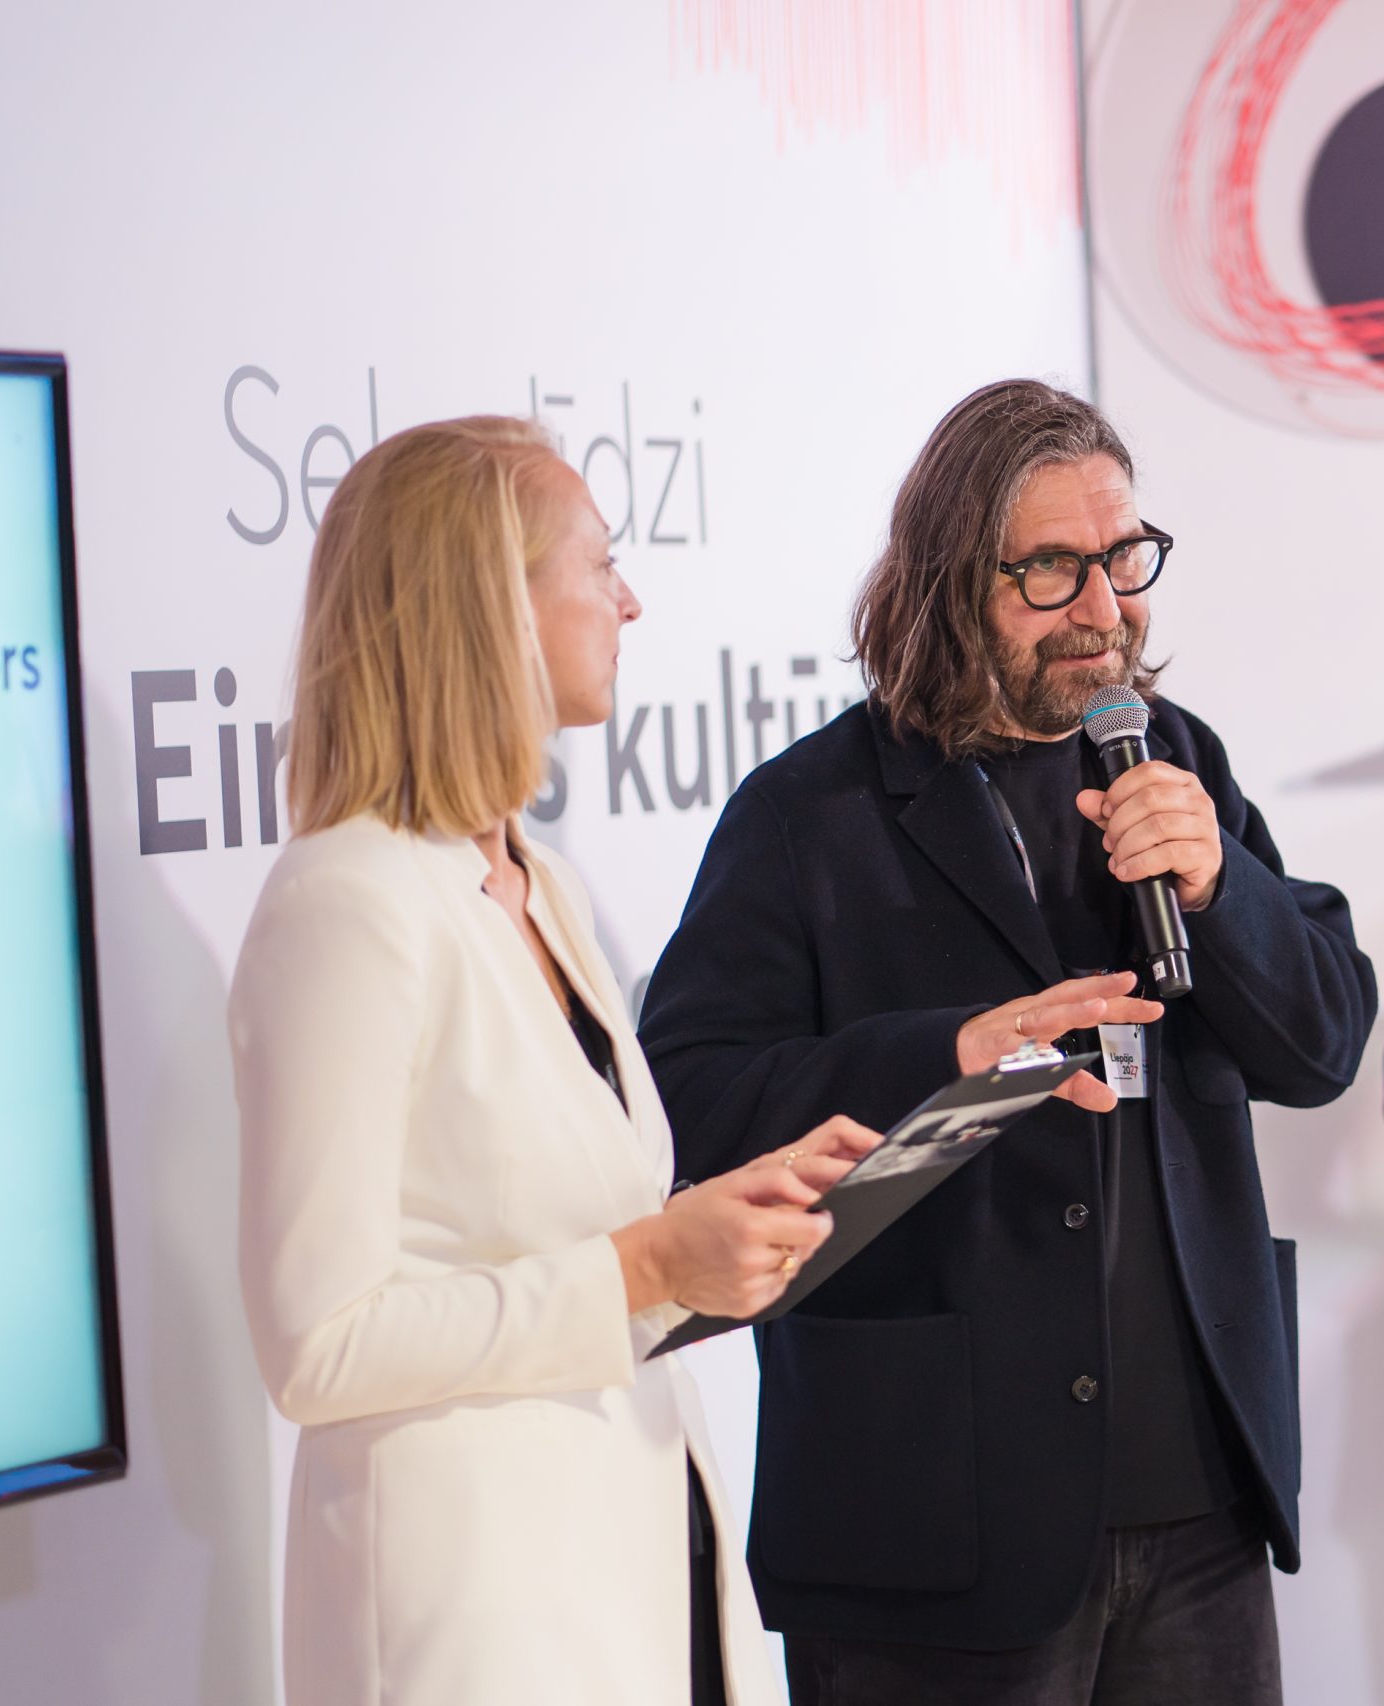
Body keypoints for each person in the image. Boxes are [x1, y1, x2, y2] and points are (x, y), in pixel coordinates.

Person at [637, 378, 1378, 1704]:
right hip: (931, 1516)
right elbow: (689, 1101)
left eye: (1124, 558)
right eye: (1051, 570)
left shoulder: (1171, 759)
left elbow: (1321, 1046)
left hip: (1198, 1500)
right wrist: (949, 1055)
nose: (1104, 608)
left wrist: (1224, 890)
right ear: (946, 582)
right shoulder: (809, 812)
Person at [230, 416, 880, 1706]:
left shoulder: (537, 881)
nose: (630, 601)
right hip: (473, 1617)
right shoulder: (347, 902)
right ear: (494, 603)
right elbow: (318, 1345)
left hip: (632, 1569)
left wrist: (724, 1220)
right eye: (600, 563)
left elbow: (565, 1233)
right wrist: (648, 1262)